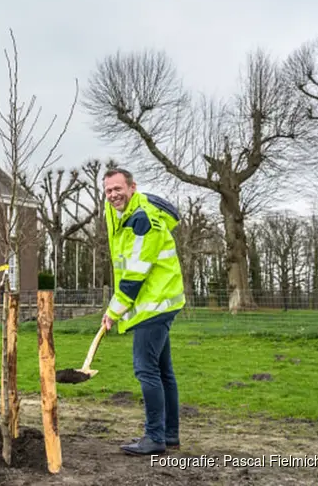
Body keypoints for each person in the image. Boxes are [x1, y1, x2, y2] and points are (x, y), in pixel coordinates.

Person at [100, 168, 186, 456]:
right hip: (158, 301)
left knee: (146, 370)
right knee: (163, 372)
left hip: (154, 303)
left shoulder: (143, 221)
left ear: (133, 187)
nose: (113, 195)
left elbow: (136, 274)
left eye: (118, 189)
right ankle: (169, 435)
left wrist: (113, 311)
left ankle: (154, 437)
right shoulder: (119, 211)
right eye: (108, 190)